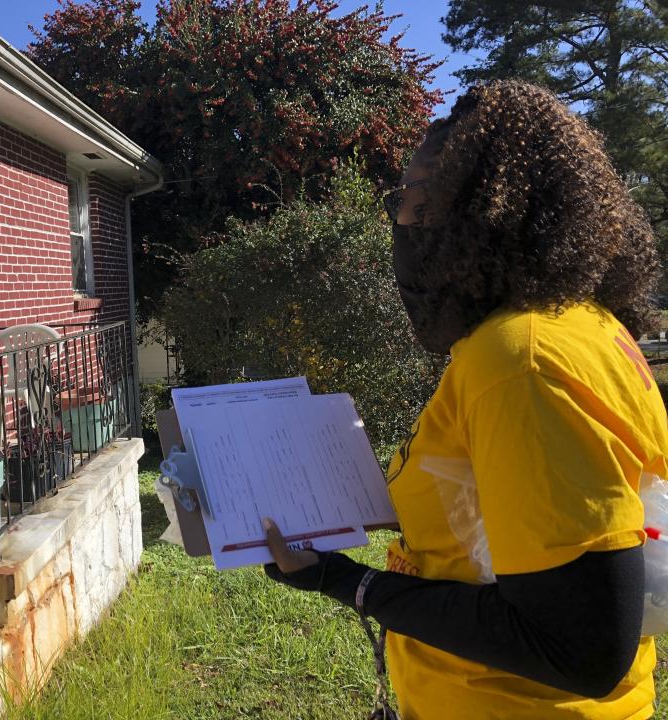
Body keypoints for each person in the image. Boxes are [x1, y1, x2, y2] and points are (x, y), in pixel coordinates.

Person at [264, 80, 668, 719]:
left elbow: (582, 649)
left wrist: (345, 580)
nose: (402, 224)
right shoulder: (577, 324)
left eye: (420, 201)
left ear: (491, 210)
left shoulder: (521, 360)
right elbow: (496, 513)